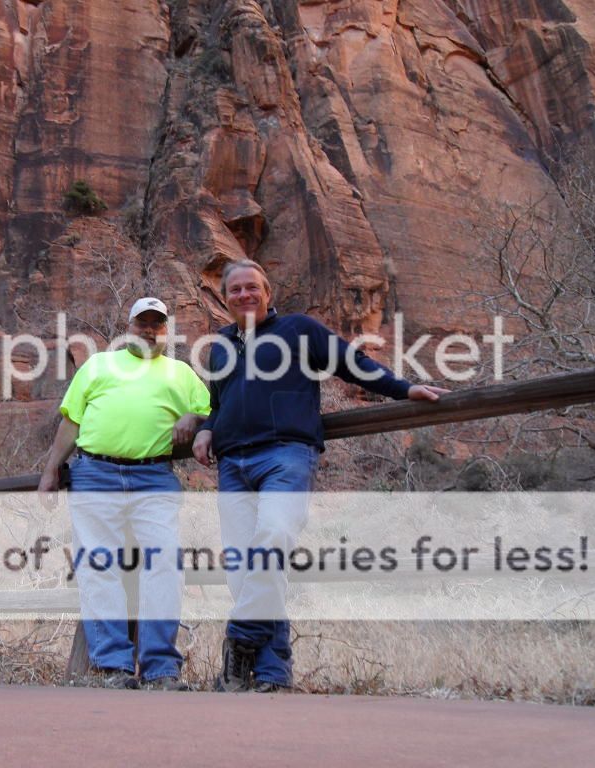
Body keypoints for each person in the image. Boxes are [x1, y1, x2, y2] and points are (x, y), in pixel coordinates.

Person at [192, 260, 448, 692]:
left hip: (286, 455)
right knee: (244, 570)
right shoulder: (219, 346)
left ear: (267, 292)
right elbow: (221, 401)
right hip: (232, 465)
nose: (243, 295)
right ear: (225, 298)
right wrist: (205, 428)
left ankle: (240, 638)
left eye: (251, 287)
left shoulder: (298, 329)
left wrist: (404, 389)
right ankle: (271, 674)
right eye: (234, 290)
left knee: (273, 538)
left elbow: (352, 363)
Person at [39, 297, 210, 690]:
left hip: (153, 478)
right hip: (95, 473)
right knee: (98, 566)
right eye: (142, 323)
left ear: (166, 330)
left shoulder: (181, 373)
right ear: (128, 326)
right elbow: (72, 422)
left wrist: (195, 416)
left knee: (164, 565)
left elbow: (211, 410)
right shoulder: (98, 365)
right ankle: (113, 666)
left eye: (157, 324)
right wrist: (50, 469)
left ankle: (160, 668)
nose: (149, 330)